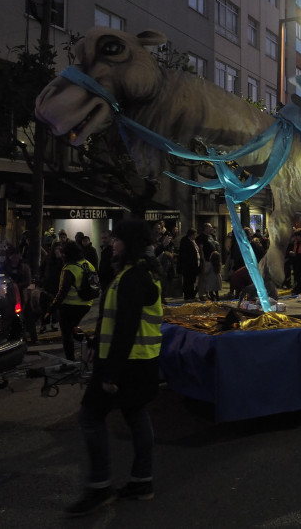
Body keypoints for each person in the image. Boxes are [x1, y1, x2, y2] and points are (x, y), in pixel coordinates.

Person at [66, 219, 163, 516]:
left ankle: (99, 487)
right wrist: (96, 344)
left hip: (127, 363)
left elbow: (126, 327)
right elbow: (114, 320)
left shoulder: (133, 277)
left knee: (90, 416)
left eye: (116, 239)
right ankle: (141, 481)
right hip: (140, 361)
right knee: (136, 414)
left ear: (129, 243)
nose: (111, 243)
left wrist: (109, 373)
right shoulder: (137, 274)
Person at [48, 240, 98, 361]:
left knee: (67, 334)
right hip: (86, 304)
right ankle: (90, 343)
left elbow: (62, 291)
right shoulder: (87, 264)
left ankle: (70, 361)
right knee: (73, 328)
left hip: (70, 306)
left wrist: (52, 307)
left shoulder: (69, 268)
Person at [3, 247, 35, 343]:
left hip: (21, 294)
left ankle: (27, 337)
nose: (15, 258)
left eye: (17, 255)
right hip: (8, 295)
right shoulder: (5, 267)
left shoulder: (24, 267)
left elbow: (27, 281)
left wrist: (16, 286)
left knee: (25, 316)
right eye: (13, 255)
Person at [177, 228, 201, 300]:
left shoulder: (193, 241)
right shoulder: (186, 242)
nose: (196, 235)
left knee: (192, 280)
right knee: (188, 281)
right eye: (195, 234)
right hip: (189, 266)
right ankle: (188, 295)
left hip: (195, 264)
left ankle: (191, 294)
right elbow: (185, 255)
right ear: (191, 235)